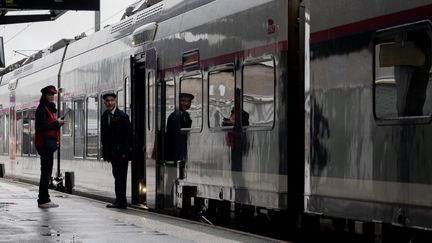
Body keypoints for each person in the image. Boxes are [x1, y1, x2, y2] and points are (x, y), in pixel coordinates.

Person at [35, 85, 64, 208]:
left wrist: (56, 123)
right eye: (50, 95)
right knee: (46, 172)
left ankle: (44, 199)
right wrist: (56, 123)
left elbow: (48, 125)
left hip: (47, 145)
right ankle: (43, 199)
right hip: (44, 144)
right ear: (45, 96)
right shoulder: (42, 109)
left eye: (53, 95)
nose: (52, 97)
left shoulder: (47, 108)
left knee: (46, 172)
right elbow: (43, 126)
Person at [101, 93, 132, 209]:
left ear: (115, 102)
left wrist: (125, 152)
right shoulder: (104, 116)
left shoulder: (123, 116)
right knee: (116, 175)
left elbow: (128, 135)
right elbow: (104, 136)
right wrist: (105, 151)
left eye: (111, 100)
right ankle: (119, 199)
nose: (109, 103)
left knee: (120, 177)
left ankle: (121, 201)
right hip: (112, 153)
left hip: (121, 153)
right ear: (105, 103)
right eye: (107, 101)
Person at [165, 93, 193, 162]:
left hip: (182, 150)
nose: (186, 103)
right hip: (174, 152)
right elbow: (172, 137)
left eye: (189, 101)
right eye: (183, 101)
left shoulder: (186, 116)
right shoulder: (173, 116)